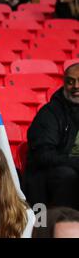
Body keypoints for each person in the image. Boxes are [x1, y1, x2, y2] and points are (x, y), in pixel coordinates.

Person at [24, 63, 79, 210]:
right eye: (70, 81)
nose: (76, 86)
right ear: (64, 84)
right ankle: (65, 225)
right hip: (51, 174)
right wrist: (75, 163)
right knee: (67, 175)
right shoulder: (50, 114)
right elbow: (43, 156)